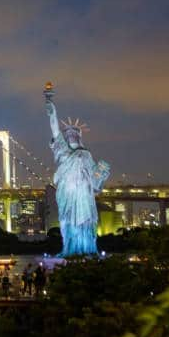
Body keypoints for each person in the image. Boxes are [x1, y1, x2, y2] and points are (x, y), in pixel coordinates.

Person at [46, 94, 110, 256]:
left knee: (85, 220)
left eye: (74, 132)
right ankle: (69, 249)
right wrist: (52, 110)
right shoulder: (62, 149)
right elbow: (54, 127)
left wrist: (102, 171)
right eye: (68, 133)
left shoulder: (86, 154)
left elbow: (95, 180)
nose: (70, 134)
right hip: (67, 193)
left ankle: (86, 249)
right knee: (68, 220)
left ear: (79, 136)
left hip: (83, 194)